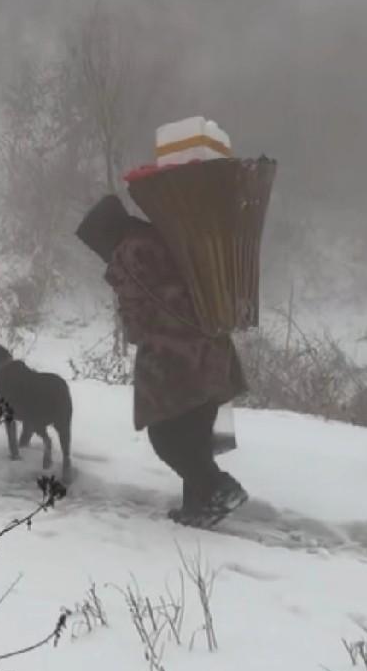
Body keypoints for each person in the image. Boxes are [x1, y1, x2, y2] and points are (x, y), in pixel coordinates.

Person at [76, 193, 248, 528]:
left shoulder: (129, 254)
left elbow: (137, 325)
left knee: (165, 436)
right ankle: (198, 507)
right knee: (195, 436)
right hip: (212, 351)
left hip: (179, 363)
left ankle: (220, 489)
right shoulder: (162, 237)